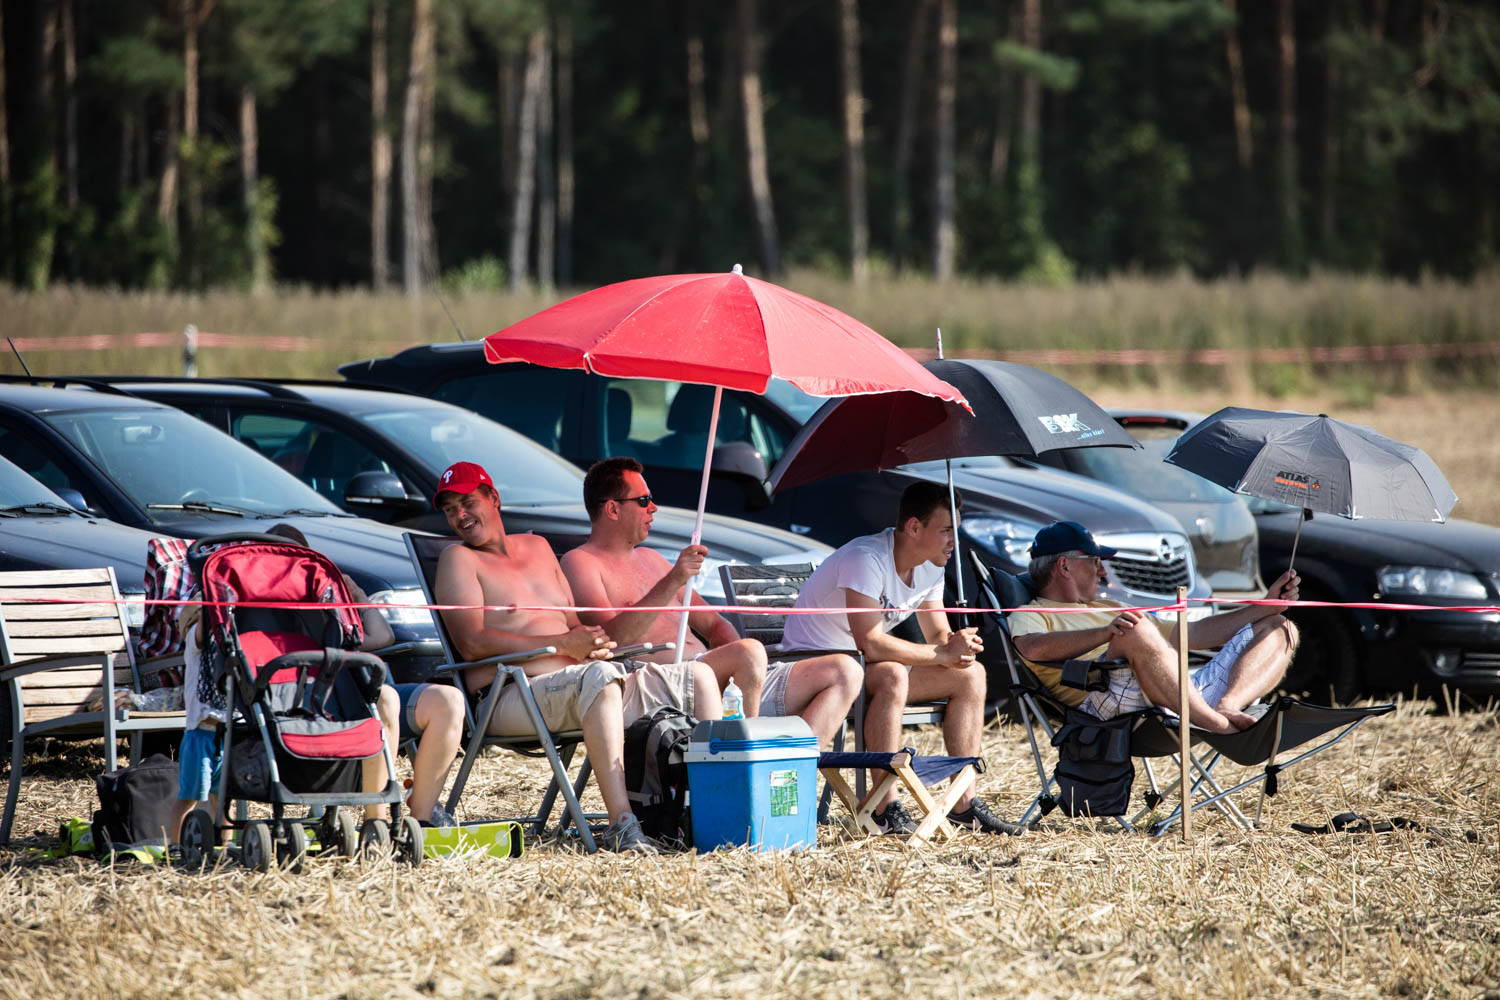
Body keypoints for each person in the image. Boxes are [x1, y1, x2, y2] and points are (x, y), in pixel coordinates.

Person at [431, 461, 722, 854]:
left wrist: (591, 642)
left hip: (579, 682)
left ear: (494, 498)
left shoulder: (538, 547)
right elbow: (471, 643)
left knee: (698, 677)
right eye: (450, 510)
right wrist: (564, 644)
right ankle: (622, 824)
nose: (460, 516)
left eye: (467, 503)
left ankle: (714, 809)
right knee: (601, 679)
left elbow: (572, 625)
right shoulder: (459, 559)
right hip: (508, 694)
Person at [167, 524, 466, 841]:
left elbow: (382, 637)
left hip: (320, 706)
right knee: (199, 798)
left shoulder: (313, 612)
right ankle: (177, 844)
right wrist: (220, 594)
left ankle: (384, 823)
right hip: (239, 717)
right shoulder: (229, 614)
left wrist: (357, 597)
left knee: (396, 698)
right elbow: (200, 633)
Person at [560, 457, 861, 746]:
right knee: (749, 652)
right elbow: (612, 640)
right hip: (659, 686)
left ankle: (795, 764)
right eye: (643, 500)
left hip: (717, 681)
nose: (653, 507)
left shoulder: (652, 559)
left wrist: (747, 668)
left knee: (844, 671)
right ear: (612, 509)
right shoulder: (581, 562)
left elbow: (715, 625)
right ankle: (745, 759)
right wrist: (673, 580)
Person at [780, 481, 1018, 837]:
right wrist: (942, 653)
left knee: (971, 675)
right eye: (946, 531)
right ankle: (884, 807)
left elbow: (937, 636)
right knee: (892, 673)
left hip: (864, 668)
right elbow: (871, 643)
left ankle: (964, 804)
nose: (954, 541)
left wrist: (959, 646)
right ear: (914, 527)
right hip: (818, 669)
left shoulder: (931, 566)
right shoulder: (866, 558)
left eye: (956, 530)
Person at [1008, 520, 1301, 733]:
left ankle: (1227, 706)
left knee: (1280, 627)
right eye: (1095, 561)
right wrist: (1107, 632)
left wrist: (1265, 606)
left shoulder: (1110, 607)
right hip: (1109, 700)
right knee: (1134, 627)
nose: (1103, 571)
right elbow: (1032, 648)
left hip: (1174, 691)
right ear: (1064, 566)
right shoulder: (1032, 612)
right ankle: (1216, 725)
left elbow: (1192, 634)